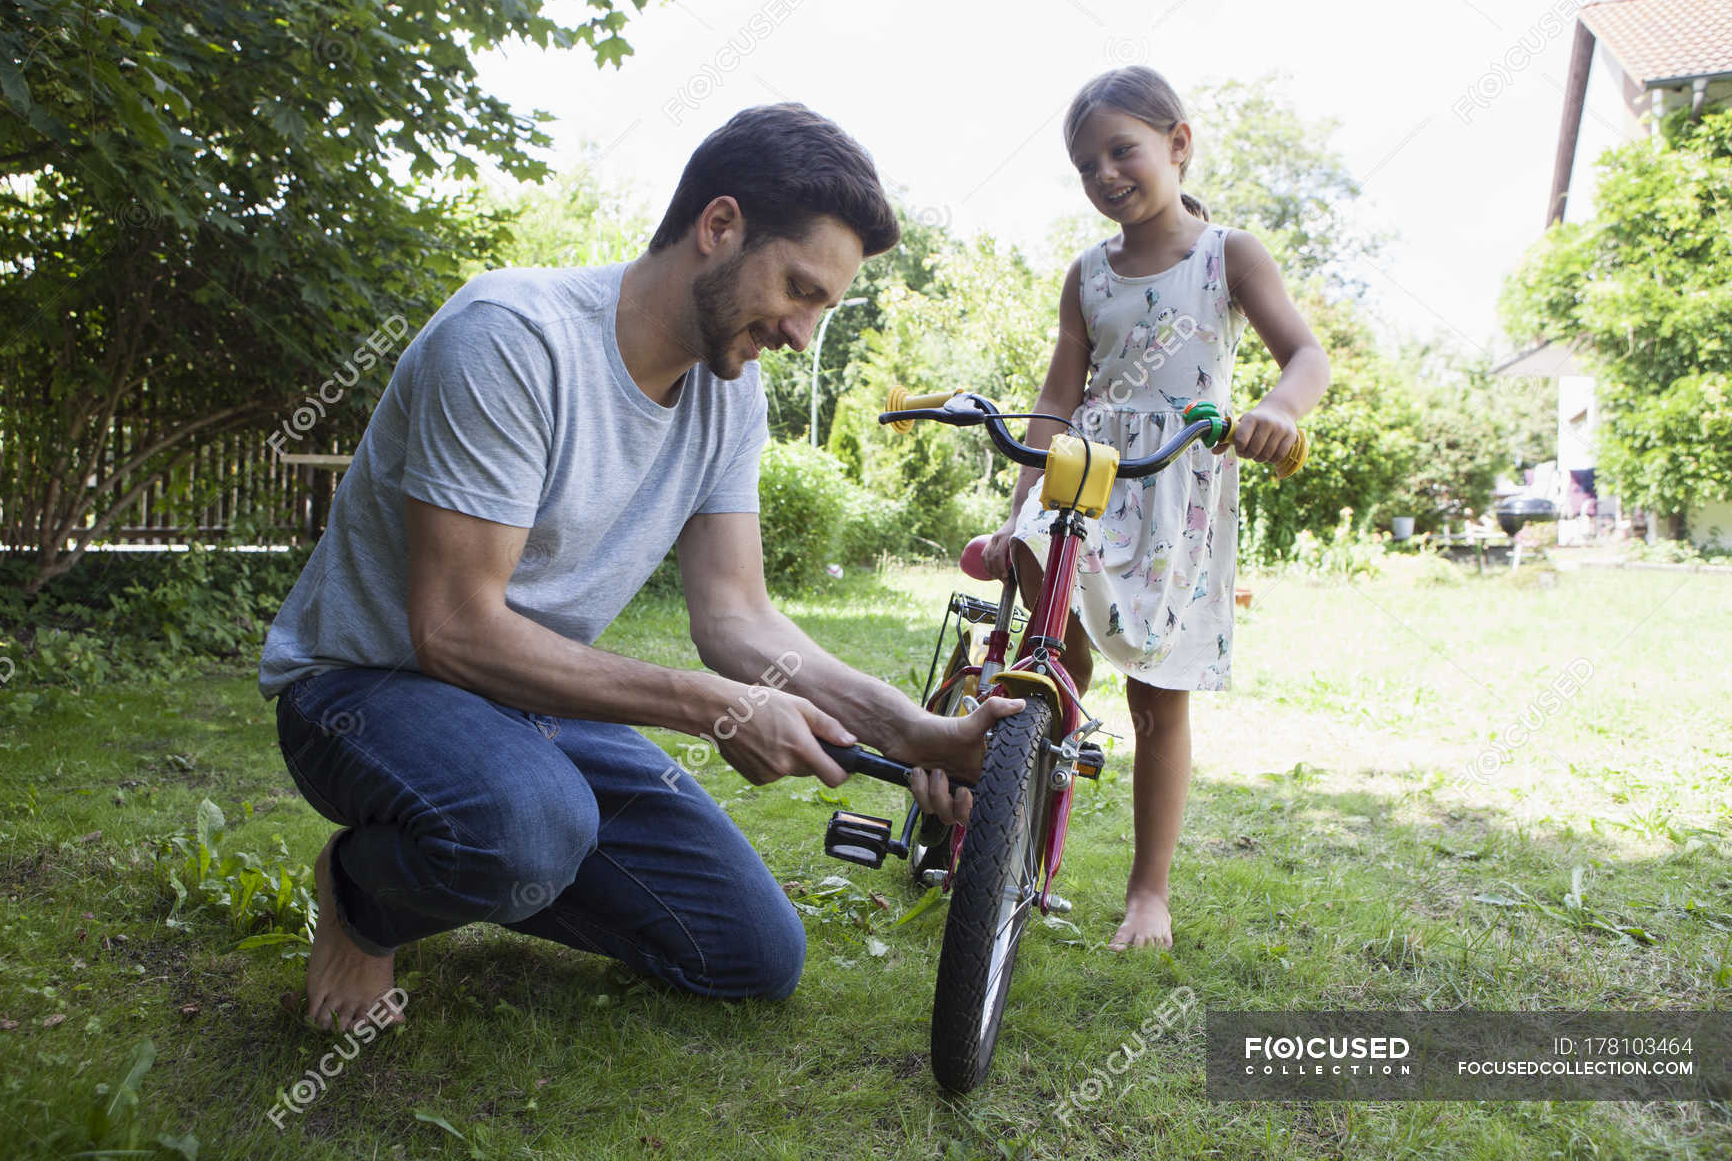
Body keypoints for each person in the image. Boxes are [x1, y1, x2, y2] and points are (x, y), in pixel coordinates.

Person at [257, 103, 1023, 1034]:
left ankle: (489, 832)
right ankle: (365, 892)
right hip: (368, 694)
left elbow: (738, 621)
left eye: (822, 306)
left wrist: (916, 735)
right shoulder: (512, 339)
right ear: (720, 226)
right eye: (800, 290)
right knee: (529, 831)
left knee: (750, 955)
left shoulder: (727, 401)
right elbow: (454, 628)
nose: (803, 333)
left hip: (530, 711)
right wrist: (710, 706)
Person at [918, 66, 1330, 951]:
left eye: (1122, 150)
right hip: (1087, 474)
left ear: (1178, 145)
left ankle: (1149, 892)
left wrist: (1279, 409)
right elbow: (1055, 405)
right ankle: (1014, 796)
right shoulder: (1086, 275)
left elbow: (1305, 354)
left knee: (1157, 694)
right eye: (1086, 164)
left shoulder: (1231, 255)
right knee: (1048, 651)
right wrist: (1014, 512)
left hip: (1176, 487)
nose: (1106, 174)